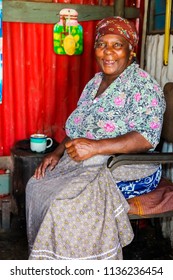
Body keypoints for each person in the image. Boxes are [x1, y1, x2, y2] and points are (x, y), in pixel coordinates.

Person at [26, 16, 165, 260]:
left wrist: (95, 147)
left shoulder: (143, 86)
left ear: (130, 51)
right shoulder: (95, 82)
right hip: (90, 159)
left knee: (64, 204)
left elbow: (146, 137)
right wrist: (57, 153)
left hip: (130, 167)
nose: (108, 52)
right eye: (102, 45)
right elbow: (79, 126)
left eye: (117, 45)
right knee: (37, 185)